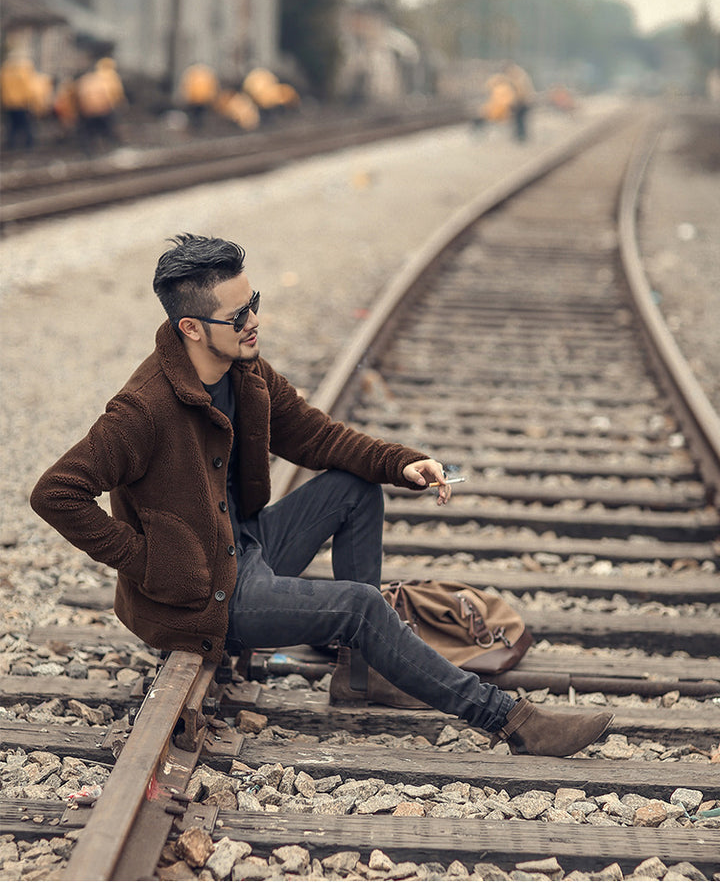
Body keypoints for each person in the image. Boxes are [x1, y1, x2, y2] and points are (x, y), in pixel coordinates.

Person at [30, 234, 613, 757]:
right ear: (191, 328)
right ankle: (511, 721)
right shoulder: (144, 410)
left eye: (255, 302)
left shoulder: (245, 373)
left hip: (246, 548)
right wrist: (154, 563)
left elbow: (317, 436)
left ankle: (362, 673)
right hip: (206, 595)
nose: (254, 320)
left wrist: (402, 462)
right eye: (238, 315)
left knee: (356, 488)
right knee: (360, 606)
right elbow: (56, 493)